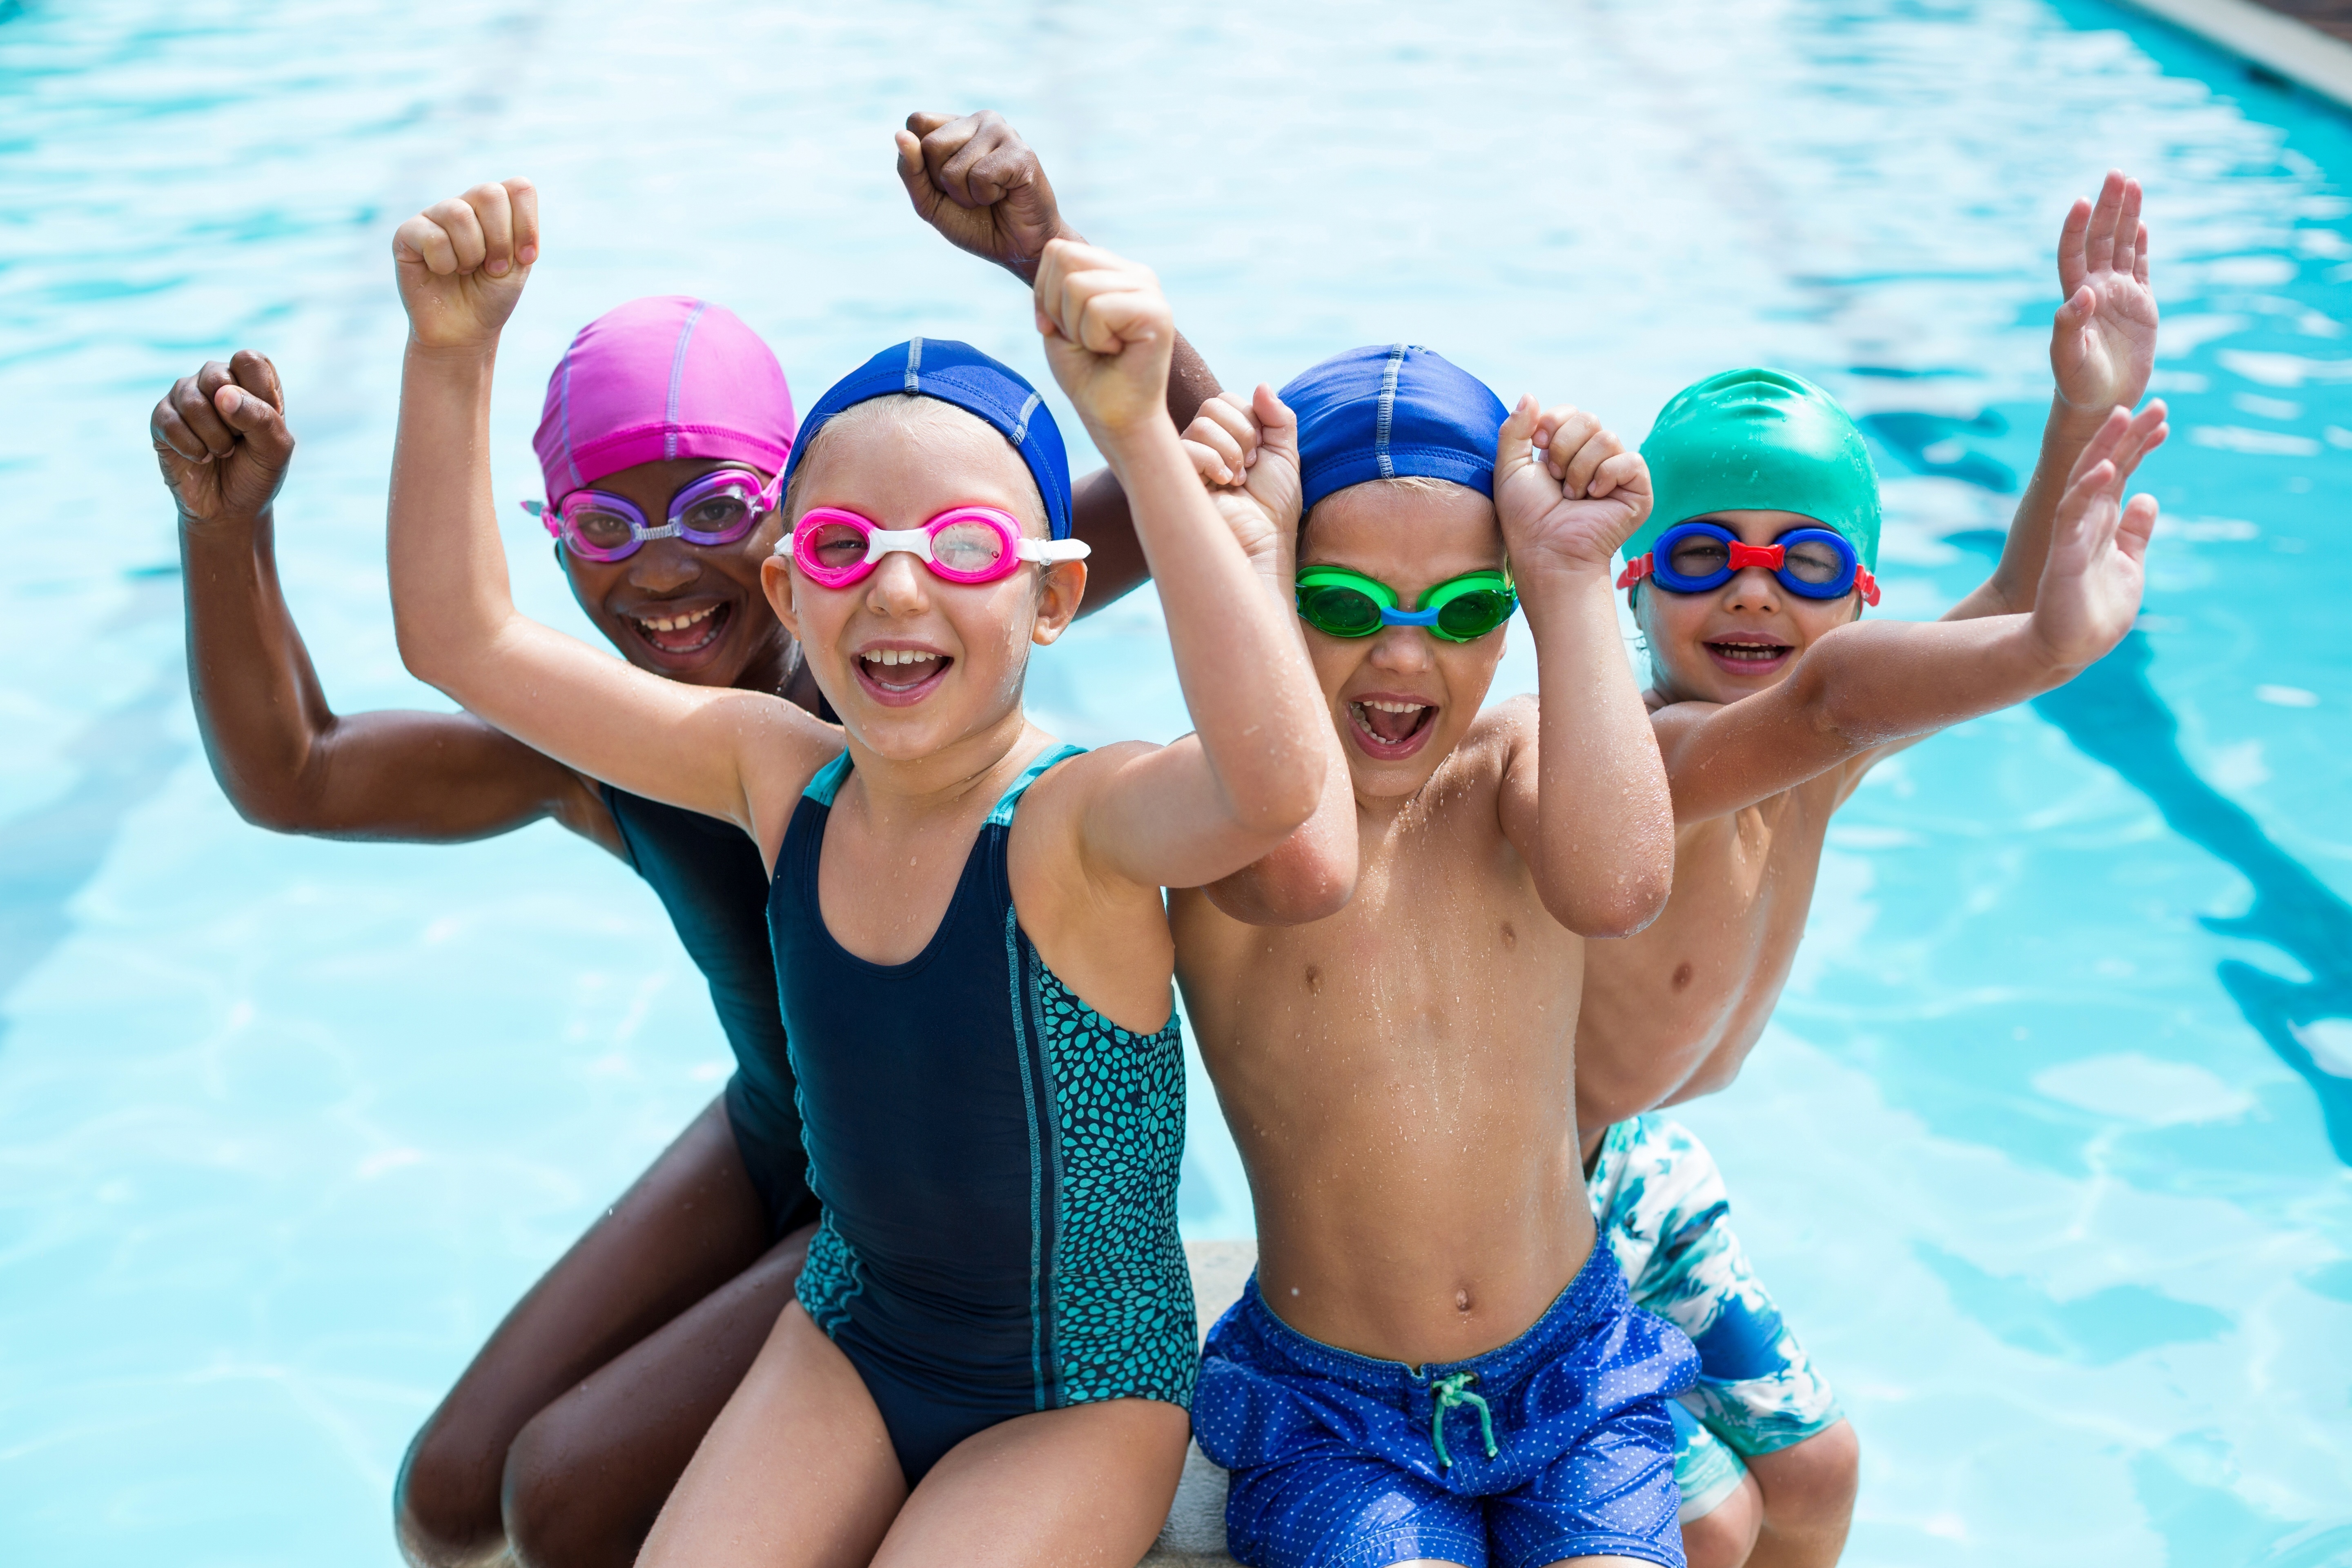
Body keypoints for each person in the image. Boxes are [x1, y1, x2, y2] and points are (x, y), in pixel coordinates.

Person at [144, 114, 1215, 1568]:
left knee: (566, 1491)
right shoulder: (620, 742)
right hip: (782, 1130)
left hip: (937, 1213)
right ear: (558, 537)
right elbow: (301, 773)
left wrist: (1045, 250)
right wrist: (229, 537)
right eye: (604, 526)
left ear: (793, 521)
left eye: (712, 509)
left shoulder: (899, 653)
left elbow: (1212, 474)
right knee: (448, 1495)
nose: (658, 573)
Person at [381, 169, 1335, 1566]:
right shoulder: (780, 776)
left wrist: (1137, 437)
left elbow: (1272, 785)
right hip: (851, 1339)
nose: (897, 590)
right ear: (786, 588)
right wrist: (451, 356)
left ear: (1054, 596)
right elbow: (462, 640)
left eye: (960, 549)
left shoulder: (1079, 822)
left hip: (1072, 1396)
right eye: (842, 548)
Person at [1572, 172, 2165, 1568]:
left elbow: (2001, 617)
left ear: (1864, 594)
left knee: (1823, 1471)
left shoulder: (1816, 752)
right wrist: (2044, 647)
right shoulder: (1634, 766)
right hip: (1532, 1206)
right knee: (1709, 1527)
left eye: (1807, 559)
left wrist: (2082, 408)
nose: (1754, 590)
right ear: (1633, 582)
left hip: (1646, 1162)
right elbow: (1851, 691)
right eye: (1705, 555)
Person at [1169, 345, 1699, 1568]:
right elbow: (1307, 864)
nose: (1405, 659)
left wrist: (1569, 579)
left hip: (1575, 1377)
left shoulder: (1514, 772)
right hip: (1333, 1413)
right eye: (1345, 607)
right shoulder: (1213, 823)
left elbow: (1619, 887)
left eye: (1462, 613)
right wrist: (1246, 561)